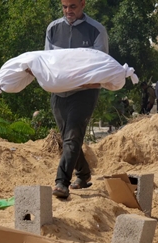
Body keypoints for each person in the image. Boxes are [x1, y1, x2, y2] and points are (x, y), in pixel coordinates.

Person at [44, 0, 108, 198]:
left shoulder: (96, 30)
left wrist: (87, 82)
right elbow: (46, 60)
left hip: (84, 93)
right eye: (64, 7)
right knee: (68, 139)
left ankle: (61, 182)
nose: (68, 11)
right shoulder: (53, 28)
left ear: (83, 4)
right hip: (59, 93)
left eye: (73, 6)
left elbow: (101, 63)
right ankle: (83, 174)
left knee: (72, 136)